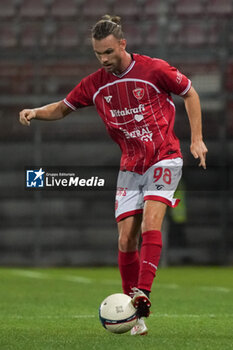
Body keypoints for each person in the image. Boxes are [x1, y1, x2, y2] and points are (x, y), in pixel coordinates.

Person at [19, 15, 208, 335]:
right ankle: (136, 318)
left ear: (123, 44)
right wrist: (36, 112)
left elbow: (190, 92)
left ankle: (142, 294)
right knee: (124, 239)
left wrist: (198, 139)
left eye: (109, 52)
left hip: (164, 157)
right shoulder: (95, 84)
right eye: (98, 54)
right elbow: (63, 107)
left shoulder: (154, 69)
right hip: (129, 166)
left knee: (151, 222)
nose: (104, 60)